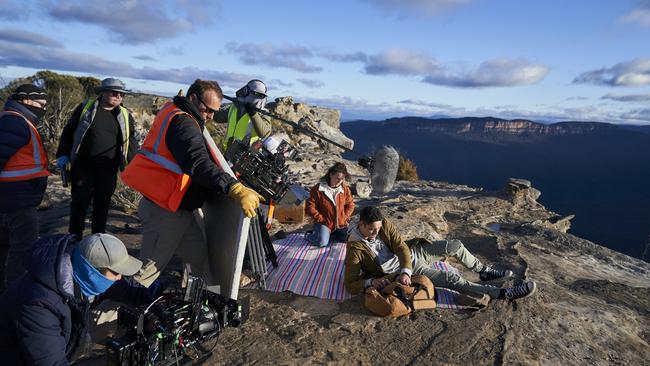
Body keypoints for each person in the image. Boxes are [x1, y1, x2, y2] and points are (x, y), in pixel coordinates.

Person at [120, 79, 264, 287]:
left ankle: (203, 307)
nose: (211, 116)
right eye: (207, 110)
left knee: (200, 259)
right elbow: (197, 162)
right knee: (144, 275)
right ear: (193, 98)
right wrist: (234, 187)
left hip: (181, 210)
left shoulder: (177, 109)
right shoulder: (184, 123)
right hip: (164, 212)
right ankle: (109, 315)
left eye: (215, 111)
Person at [0, 233, 151, 365]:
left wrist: (158, 296)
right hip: (21, 359)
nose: (120, 278)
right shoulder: (38, 303)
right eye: (116, 272)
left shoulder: (80, 269)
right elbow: (50, 362)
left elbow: (126, 290)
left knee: (121, 305)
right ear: (92, 271)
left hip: (61, 340)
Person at [344, 206, 537, 302]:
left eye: (378, 228)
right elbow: (351, 284)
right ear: (361, 224)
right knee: (452, 278)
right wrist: (371, 282)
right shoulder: (355, 248)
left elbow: (401, 247)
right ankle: (502, 294)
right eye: (371, 230)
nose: (376, 232)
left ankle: (483, 271)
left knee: (454, 245)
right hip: (403, 270)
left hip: (413, 254)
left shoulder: (383, 224)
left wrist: (405, 270)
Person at [55, 78, 138, 240]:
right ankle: (74, 239)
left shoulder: (125, 115)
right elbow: (68, 131)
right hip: (83, 166)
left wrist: (133, 164)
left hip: (108, 168)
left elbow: (130, 140)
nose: (118, 96)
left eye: (122, 94)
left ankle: (97, 240)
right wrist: (63, 154)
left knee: (102, 204)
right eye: (114, 92)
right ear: (103, 93)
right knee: (80, 203)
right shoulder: (86, 108)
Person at [0, 84, 50, 290]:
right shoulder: (15, 122)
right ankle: (14, 293)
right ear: (27, 101)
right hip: (16, 201)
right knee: (23, 249)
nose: (44, 109)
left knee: (6, 246)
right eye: (41, 104)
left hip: (13, 198)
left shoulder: (14, 120)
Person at [214, 79, 273, 151]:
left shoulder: (263, 113)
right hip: (227, 152)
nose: (256, 98)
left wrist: (253, 114)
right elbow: (217, 117)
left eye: (260, 95)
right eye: (255, 94)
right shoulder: (234, 107)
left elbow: (264, 133)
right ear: (245, 91)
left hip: (247, 157)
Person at [306, 162, 355, 247]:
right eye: (337, 178)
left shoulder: (345, 189)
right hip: (324, 223)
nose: (340, 181)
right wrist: (321, 219)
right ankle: (308, 234)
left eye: (342, 179)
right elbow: (310, 207)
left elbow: (350, 205)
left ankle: (331, 234)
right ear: (330, 175)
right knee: (322, 243)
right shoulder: (317, 189)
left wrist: (345, 217)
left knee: (349, 239)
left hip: (340, 224)